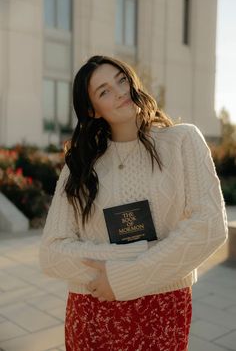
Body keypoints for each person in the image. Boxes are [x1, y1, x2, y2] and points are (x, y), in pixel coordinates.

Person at [39, 55, 228, 351]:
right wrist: (140, 255)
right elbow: (51, 253)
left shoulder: (182, 141)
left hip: (162, 311)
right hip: (93, 309)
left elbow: (211, 227)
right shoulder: (80, 164)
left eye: (121, 80)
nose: (120, 92)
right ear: (93, 110)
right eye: (104, 91)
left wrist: (126, 276)